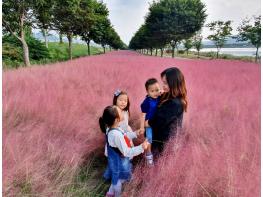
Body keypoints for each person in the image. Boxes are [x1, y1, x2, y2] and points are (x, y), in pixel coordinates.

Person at [99, 105, 149, 197]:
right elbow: (127, 152)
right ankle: (117, 195)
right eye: (120, 112)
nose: (122, 112)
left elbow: (124, 136)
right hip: (119, 161)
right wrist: (141, 147)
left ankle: (110, 193)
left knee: (118, 177)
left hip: (117, 159)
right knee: (118, 180)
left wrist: (135, 134)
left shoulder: (113, 128)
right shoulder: (115, 134)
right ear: (117, 119)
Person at [147, 67, 188, 153]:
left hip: (164, 144)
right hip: (159, 139)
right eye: (163, 82)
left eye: (165, 83)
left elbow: (157, 122)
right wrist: (157, 95)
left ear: (174, 84)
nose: (163, 85)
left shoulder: (175, 103)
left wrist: (147, 122)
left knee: (157, 164)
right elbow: (149, 101)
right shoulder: (168, 96)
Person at [140, 78, 161, 165]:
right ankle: (149, 156)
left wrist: (161, 91)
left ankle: (156, 153)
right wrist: (142, 127)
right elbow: (142, 115)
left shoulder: (159, 97)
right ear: (147, 92)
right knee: (149, 139)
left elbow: (162, 91)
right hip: (148, 124)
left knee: (156, 138)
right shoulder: (146, 102)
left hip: (157, 122)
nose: (155, 93)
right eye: (152, 91)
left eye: (157, 90)